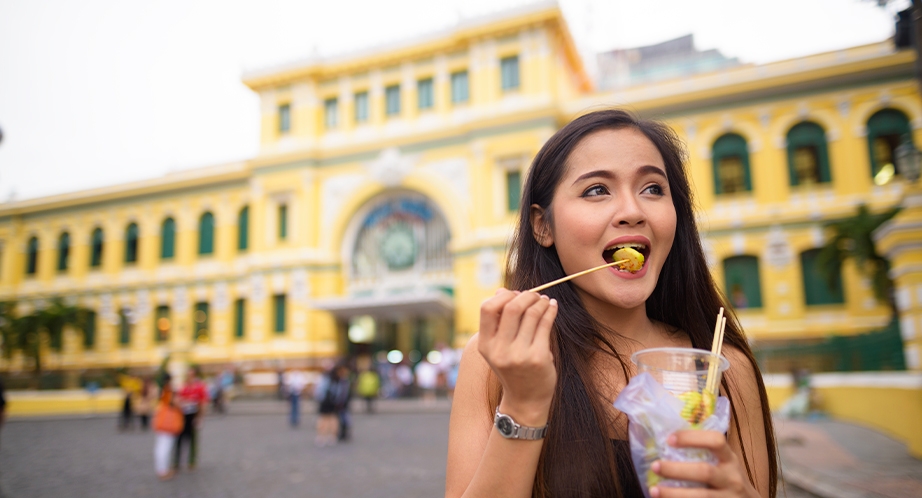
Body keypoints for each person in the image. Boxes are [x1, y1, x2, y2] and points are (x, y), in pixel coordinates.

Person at [446, 110, 777, 498]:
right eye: (596, 190)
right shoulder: (496, 362)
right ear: (543, 226)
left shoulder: (724, 367)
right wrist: (523, 402)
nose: (633, 211)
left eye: (653, 188)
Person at [173, 367, 209, 471]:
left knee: (193, 438)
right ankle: (177, 461)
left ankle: (192, 461)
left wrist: (200, 417)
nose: (190, 377)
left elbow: (203, 402)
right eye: (188, 375)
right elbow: (177, 398)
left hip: (193, 414)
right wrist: (183, 402)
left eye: (192, 375)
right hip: (182, 414)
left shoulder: (200, 386)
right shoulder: (182, 386)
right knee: (179, 438)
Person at [153, 373, 180, 481]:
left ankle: (162, 469)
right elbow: (174, 403)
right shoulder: (168, 390)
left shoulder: (160, 389)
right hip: (168, 423)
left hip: (161, 420)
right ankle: (162, 471)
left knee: (161, 446)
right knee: (164, 448)